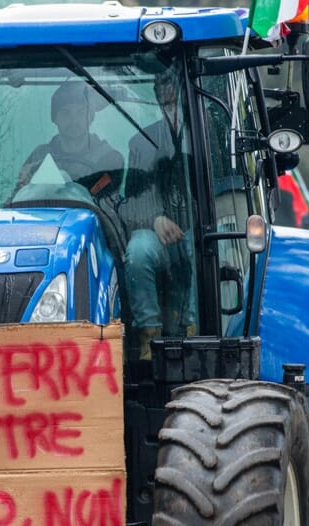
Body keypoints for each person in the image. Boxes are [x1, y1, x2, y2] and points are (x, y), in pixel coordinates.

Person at [121, 70, 197, 358]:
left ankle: (193, 330)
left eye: (176, 102)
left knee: (201, 246)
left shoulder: (207, 134)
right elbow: (131, 202)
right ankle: (148, 337)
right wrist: (154, 219)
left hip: (197, 234)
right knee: (139, 249)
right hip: (158, 236)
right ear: (156, 99)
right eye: (165, 104)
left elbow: (224, 197)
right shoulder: (140, 143)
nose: (172, 109)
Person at [17, 82, 124, 194]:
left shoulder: (109, 159)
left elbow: (106, 205)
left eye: (80, 112)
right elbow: (19, 198)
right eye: (65, 113)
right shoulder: (39, 156)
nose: (74, 120)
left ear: (90, 117)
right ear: (54, 118)